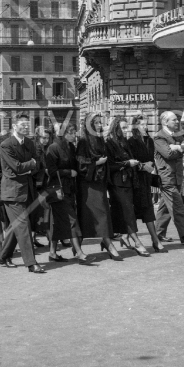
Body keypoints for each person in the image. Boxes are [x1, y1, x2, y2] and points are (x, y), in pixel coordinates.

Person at [0, 114, 46, 273]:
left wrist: (31, 165)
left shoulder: (30, 143)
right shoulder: (6, 145)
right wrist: (30, 164)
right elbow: (16, 167)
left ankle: (4, 256)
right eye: (22, 124)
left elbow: (37, 163)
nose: (26, 127)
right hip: (13, 193)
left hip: (28, 190)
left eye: (28, 124)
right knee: (23, 226)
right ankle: (31, 263)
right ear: (14, 126)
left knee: (16, 226)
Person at [45, 123, 95, 264]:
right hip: (58, 191)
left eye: (75, 132)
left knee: (58, 222)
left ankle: (52, 253)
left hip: (70, 190)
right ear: (63, 134)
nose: (75, 135)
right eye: (71, 132)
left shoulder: (71, 147)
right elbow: (51, 171)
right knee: (72, 220)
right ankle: (79, 253)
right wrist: (68, 172)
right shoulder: (53, 148)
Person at [76, 112, 123, 261]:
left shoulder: (100, 139)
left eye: (100, 122)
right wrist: (96, 163)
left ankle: (106, 241)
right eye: (96, 123)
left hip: (100, 182)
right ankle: (80, 247)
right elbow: (80, 163)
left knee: (103, 214)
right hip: (88, 184)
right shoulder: (83, 140)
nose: (100, 125)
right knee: (89, 215)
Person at [105, 116, 150, 257]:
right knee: (127, 212)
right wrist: (127, 164)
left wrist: (138, 164)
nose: (126, 131)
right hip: (117, 183)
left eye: (127, 128)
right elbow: (109, 166)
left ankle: (109, 238)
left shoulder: (124, 142)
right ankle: (136, 241)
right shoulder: (109, 143)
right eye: (123, 128)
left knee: (120, 212)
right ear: (116, 128)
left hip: (128, 181)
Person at [127, 115, 168, 253]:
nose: (145, 126)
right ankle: (129, 236)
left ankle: (154, 240)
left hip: (145, 180)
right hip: (135, 181)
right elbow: (130, 160)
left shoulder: (149, 140)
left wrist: (148, 165)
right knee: (134, 211)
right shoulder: (131, 142)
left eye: (146, 124)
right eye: (142, 124)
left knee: (148, 210)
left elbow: (151, 158)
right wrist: (142, 166)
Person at [154, 111, 184, 244]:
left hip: (176, 176)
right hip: (166, 177)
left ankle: (158, 234)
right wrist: (179, 148)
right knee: (177, 204)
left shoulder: (177, 135)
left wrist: (176, 147)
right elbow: (168, 154)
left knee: (165, 207)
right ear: (165, 122)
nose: (177, 122)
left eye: (177, 120)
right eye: (174, 120)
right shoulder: (159, 137)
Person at [33, 126, 52, 249]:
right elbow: (36, 167)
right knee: (44, 209)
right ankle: (50, 239)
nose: (46, 140)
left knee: (41, 210)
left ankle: (35, 237)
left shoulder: (44, 148)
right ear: (38, 137)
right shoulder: (36, 149)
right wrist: (45, 170)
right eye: (43, 138)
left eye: (47, 138)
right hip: (36, 184)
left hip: (43, 183)